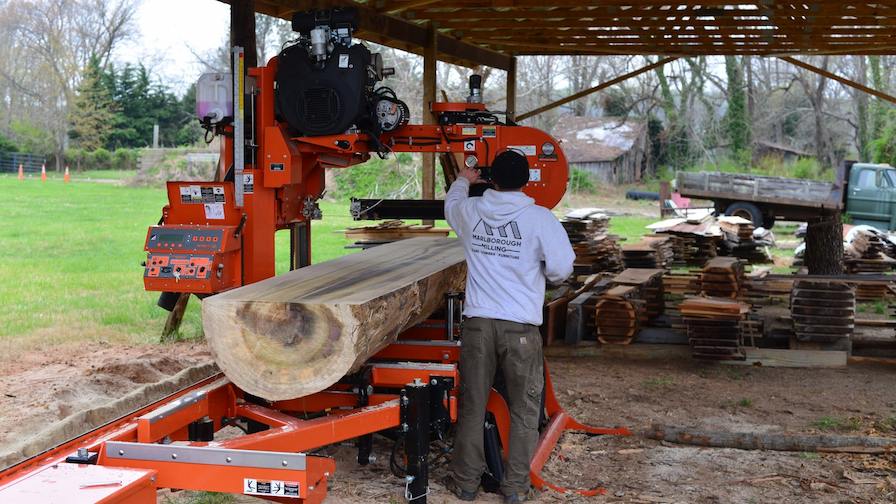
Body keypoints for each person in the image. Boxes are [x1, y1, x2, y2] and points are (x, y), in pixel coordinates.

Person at [443, 149, 575, 503]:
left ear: (492, 179)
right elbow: (562, 269)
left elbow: (450, 206)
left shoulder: (470, 212)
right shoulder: (540, 219)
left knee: (472, 404)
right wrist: (539, 274)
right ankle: (515, 488)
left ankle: (466, 484)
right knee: (524, 409)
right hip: (519, 330)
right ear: (527, 180)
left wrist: (462, 180)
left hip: (478, 325)